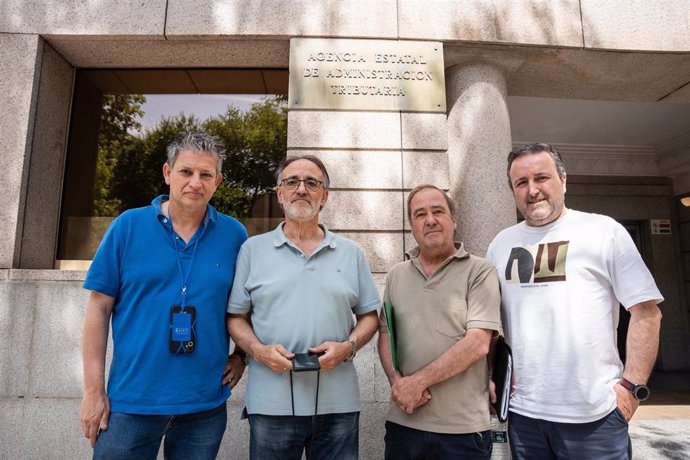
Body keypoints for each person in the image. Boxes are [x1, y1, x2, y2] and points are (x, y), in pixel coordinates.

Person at [486, 143, 663, 460]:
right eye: (521, 183)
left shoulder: (603, 231)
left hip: (594, 417)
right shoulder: (501, 244)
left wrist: (632, 389)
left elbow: (646, 312)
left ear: (563, 181)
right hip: (523, 417)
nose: (533, 190)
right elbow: (487, 323)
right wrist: (490, 376)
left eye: (542, 178)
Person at [79, 131, 248, 459]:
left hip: (204, 406)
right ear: (168, 173)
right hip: (129, 404)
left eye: (206, 174)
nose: (195, 182)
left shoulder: (234, 235)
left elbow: (246, 304)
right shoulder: (128, 226)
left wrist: (242, 355)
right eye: (186, 171)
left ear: (218, 181)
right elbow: (98, 310)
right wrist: (93, 391)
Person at [227, 154, 380, 460]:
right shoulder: (252, 250)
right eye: (292, 182)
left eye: (312, 183)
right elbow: (235, 317)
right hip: (271, 404)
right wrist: (258, 351)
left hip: (339, 406)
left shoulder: (350, 253)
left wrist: (347, 347)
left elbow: (370, 317)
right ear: (279, 193)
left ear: (324, 197)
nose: (301, 189)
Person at [378, 184, 502, 460]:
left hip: (462, 431)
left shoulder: (480, 271)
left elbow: (478, 344)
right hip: (403, 425)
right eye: (420, 214)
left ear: (453, 220)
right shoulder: (396, 275)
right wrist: (398, 384)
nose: (430, 219)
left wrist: (417, 383)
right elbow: (386, 337)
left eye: (438, 211)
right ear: (412, 225)